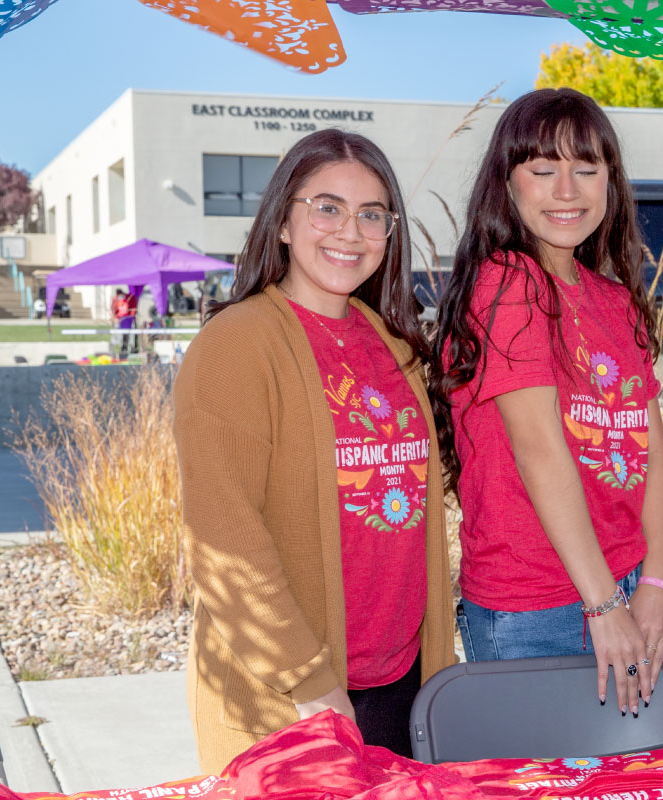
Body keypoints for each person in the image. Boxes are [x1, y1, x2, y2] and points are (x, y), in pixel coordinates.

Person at [172, 129, 454, 772]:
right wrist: (310, 684)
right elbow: (225, 538)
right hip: (296, 696)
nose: (349, 232)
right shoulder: (238, 344)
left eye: (371, 214)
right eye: (326, 207)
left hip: (403, 681)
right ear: (282, 223)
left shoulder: (394, 344)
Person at [431, 88, 663, 716]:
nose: (567, 189)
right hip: (536, 602)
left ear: (611, 182)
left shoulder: (615, 300)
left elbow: (651, 452)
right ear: (506, 183)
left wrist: (658, 582)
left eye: (587, 169)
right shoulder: (509, 282)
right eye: (543, 170)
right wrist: (602, 605)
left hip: (625, 588)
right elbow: (540, 450)